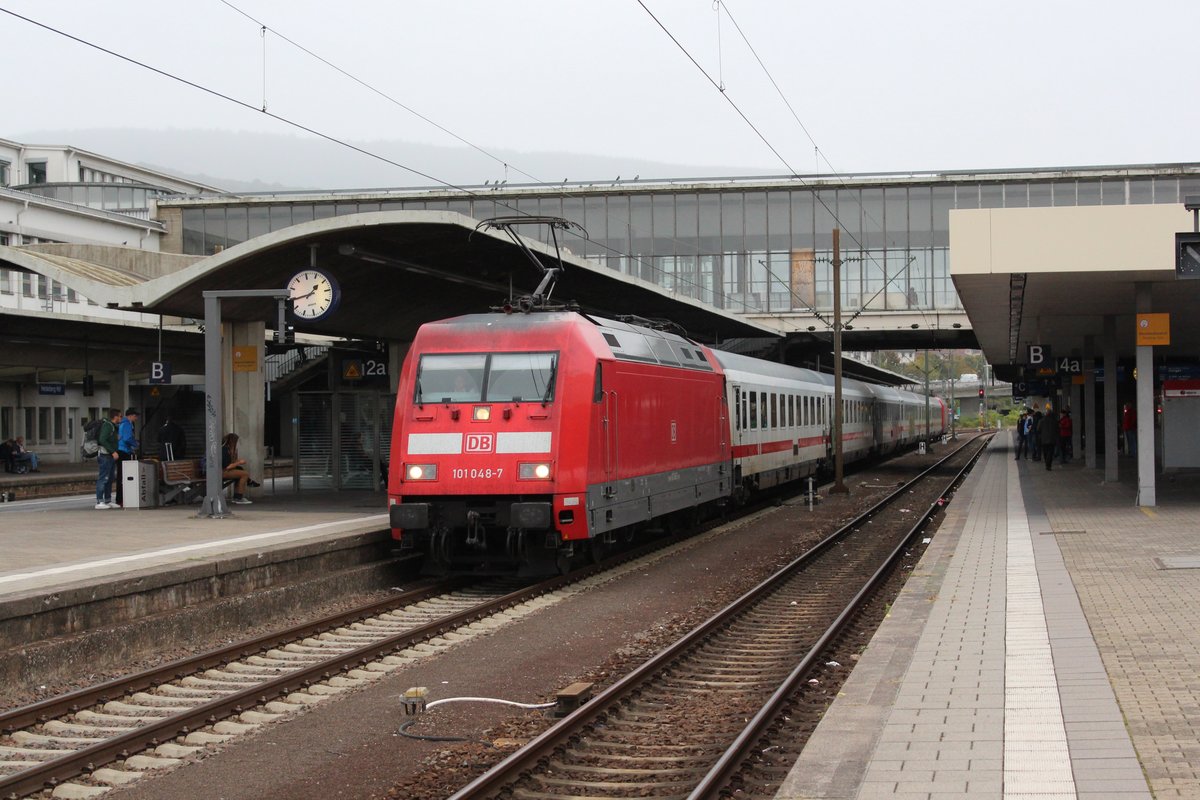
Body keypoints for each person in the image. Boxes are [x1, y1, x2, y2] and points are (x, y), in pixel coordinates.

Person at [94, 409, 122, 509]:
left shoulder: (113, 426)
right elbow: (102, 439)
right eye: (120, 416)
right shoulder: (108, 426)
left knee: (110, 478)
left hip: (109, 456)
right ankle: (99, 501)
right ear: (115, 417)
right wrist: (112, 451)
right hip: (105, 455)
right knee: (103, 478)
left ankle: (108, 500)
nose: (121, 418)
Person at [221, 433, 259, 505]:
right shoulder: (224, 450)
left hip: (224, 471)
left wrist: (236, 461)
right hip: (223, 472)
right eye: (236, 441)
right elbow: (227, 466)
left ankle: (237, 497)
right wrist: (239, 462)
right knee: (245, 474)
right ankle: (239, 497)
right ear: (232, 441)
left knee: (240, 472)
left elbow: (230, 463)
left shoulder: (228, 449)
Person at [114, 408, 140, 507]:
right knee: (123, 476)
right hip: (123, 451)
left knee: (122, 476)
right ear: (130, 416)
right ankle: (121, 499)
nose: (136, 418)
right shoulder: (127, 424)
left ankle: (120, 498)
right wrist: (136, 444)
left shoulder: (123, 424)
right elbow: (127, 438)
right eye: (135, 416)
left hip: (121, 450)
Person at [1039, 405, 1059, 471]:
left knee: (1045, 452)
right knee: (1050, 452)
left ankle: (1047, 463)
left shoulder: (1041, 420)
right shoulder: (1055, 421)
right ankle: (1048, 465)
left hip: (1044, 439)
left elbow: (1038, 429)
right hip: (1052, 439)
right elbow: (1057, 429)